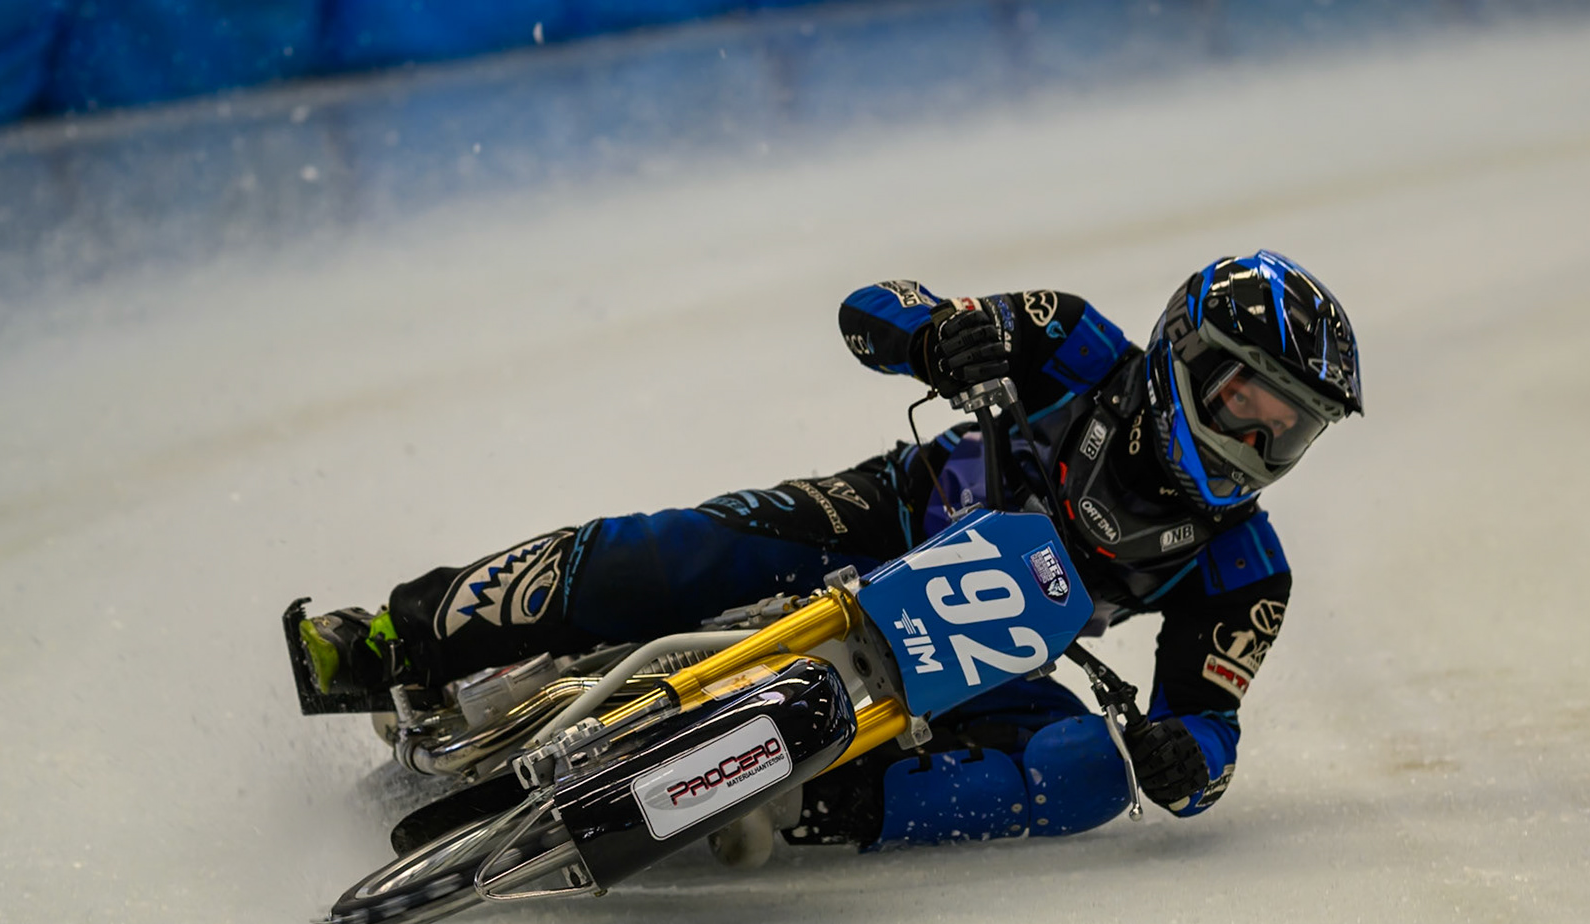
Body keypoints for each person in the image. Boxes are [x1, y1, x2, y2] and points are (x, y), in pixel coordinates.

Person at [298, 251, 1362, 853]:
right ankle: (397, 634)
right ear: (1184, 352)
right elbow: (874, 307)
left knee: (1084, 775)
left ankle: (803, 804)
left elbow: (1208, 734)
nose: (1255, 444)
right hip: (883, 516)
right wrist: (935, 337)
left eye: (1288, 430)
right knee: (678, 555)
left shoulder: (1247, 568)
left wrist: (1185, 763)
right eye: (1245, 401)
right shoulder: (1077, 343)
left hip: (988, 654)